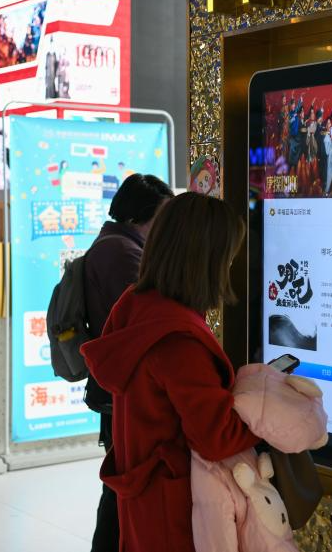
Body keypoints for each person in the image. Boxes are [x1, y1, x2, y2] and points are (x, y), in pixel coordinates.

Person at [82, 193, 261, 552]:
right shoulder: (177, 338)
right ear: (207, 260)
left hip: (144, 503)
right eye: (228, 256)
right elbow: (216, 437)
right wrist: (266, 416)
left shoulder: (137, 306)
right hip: (177, 514)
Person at [82, 174, 173, 552]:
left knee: (121, 480)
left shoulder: (115, 244)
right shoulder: (123, 253)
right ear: (140, 215)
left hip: (118, 384)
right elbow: (146, 317)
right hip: (123, 386)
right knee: (123, 484)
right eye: (164, 217)